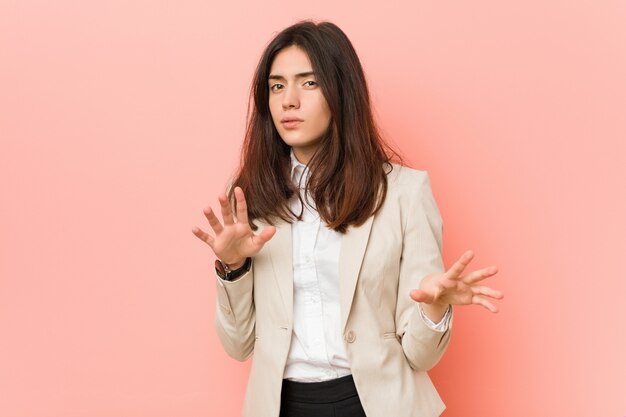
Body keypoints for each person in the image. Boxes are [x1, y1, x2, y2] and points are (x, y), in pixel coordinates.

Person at [192, 20, 503, 417]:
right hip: (281, 406)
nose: (288, 100)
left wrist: (434, 309)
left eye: (309, 83)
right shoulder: (250, 197)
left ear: (341, 92)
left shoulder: (404, 193)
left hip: (378, 405)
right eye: (277, 86)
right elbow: (238, 346)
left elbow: (420, 356)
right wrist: (233, 268)